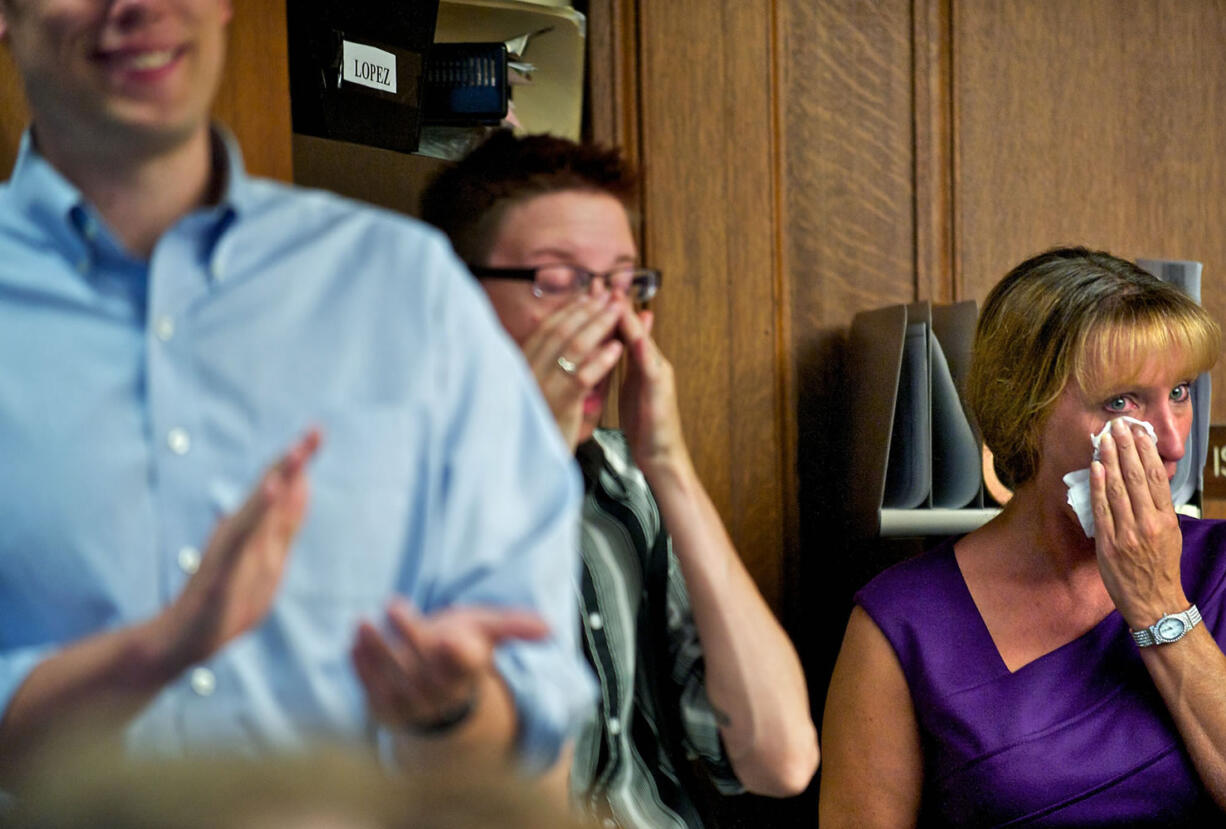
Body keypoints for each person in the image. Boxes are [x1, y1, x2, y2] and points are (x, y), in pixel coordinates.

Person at [0, 0, 592, 780]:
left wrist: (449, 709)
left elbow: (537, 703)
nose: (137, 7)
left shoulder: (407, 288)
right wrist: (158, 651)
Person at [420, 131, 818, 829]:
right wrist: (524, 467)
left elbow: (780, 757)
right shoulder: (374, 495)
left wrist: (669, 464)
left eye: (621, 284)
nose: (606, 321)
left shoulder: (625, 481)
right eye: (563, 281)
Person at [820, 247, 1226, 826]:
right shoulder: (901, 625)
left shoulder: (1220, 565)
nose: (1172, 444)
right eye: (1122, 401)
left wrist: (1159, 605)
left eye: (1180, 393)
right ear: (1025, 410)